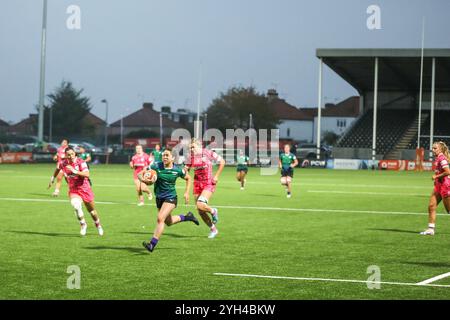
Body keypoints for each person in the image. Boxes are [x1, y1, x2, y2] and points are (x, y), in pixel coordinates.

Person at [141, 148, 199, 252]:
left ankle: (152, 244)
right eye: (163, 155)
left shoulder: (177, 170)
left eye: (167, 155)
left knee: (160, 218)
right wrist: (145, 180)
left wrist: (186, 192)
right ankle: (187, 217)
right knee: (168, 222)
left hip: (171, 197)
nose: (165, 157)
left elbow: (188, 178)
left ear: (172, 158)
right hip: (159, 198)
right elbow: (142, 173)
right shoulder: (156, 165)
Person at [48, 146, 104, 236]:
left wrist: (75, 171)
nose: (71, 156)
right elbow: (57, 169)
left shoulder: (81, 162)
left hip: (85, 189)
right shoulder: (63, 163)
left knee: (92, 212)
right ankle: (83, 224)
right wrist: (52, 178)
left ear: (75, 153)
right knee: (76, 206)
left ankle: (98, 225)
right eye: (68, 155)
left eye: (72, 154)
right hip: (74, 190)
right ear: (65, 155)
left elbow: (87, 174)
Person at [185, 138, 225, 238]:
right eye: (190, 148)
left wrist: (216, 176)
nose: (191, 150)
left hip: (208, 183)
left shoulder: (208, 153)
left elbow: (222, 161)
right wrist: (183, 172)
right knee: (200, 211)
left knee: (200, 204)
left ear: (199, 145)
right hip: (197, 185)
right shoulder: (191, 157)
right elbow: (185, 170)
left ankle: (213, 211)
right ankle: (213, 229)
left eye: (193, 147)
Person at [420, 141, 450, 235]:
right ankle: (431, 229)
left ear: (440, 149)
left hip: (445, 185)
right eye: (432, 148)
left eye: (435, 148)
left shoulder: (442, 158)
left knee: (449, 210)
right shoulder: (437, 158)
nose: (433, 150)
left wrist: (436, 177)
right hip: (438, 185)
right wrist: (436, 179)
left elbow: (447, 172)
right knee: (431, 206)